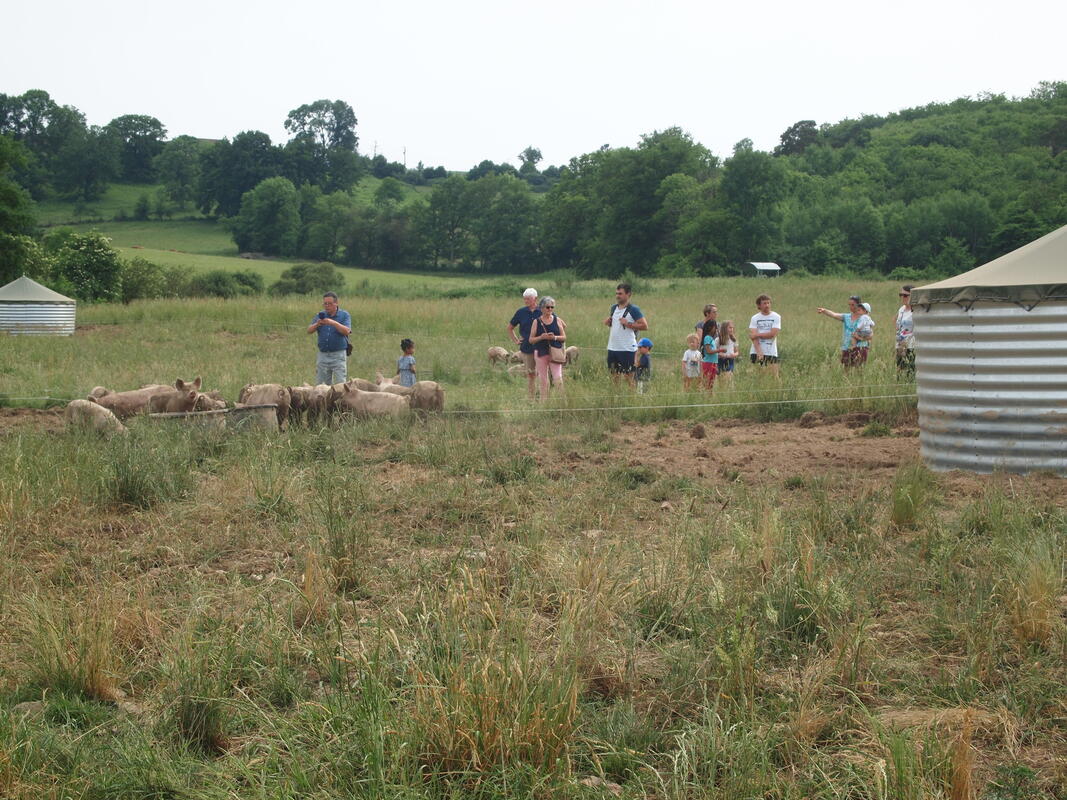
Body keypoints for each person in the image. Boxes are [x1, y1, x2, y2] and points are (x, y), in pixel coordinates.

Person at [603, 282, 648, 387]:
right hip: (612, 348)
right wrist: (609, 323)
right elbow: (616, 326)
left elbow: (645, 326)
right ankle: (616, 399)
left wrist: (628, 324)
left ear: (628, 294)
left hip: (627, 349)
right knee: (614, 377)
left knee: (629, 378)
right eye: (616, 293)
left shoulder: (634, 310)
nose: (617, 296)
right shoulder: (614, 308)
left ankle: (632, 399)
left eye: (620, 293)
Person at [307, 291, 352, 385]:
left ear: (336, 303)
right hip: (323, 355)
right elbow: (309, 330)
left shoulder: (344, 315)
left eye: (330, 303)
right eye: (325, 303)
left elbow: (346, 331)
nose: (327, 306)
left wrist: (333, 323)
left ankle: (340, 399)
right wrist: (317, 324)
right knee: (322, 385)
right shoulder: (320, 315)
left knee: (340, 384)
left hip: (338, 355)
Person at [529, 295, 566, 401]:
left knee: (558, 378)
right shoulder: (536, 321)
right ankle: (543, 404)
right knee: (543, 380)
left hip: (555, 352)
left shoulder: (557, 320)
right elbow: (531, 340)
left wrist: (554, 337)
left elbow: (564, 337)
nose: (550, 309)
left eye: (552, 307)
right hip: (541, 353)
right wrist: (541, 337)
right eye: (547, 307)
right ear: (541, 308)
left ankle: (563, 402)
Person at [816, 295, 871, 367]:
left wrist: (859, 338)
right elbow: (834, 315)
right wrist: (824, 311)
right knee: (846, 369)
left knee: (859, 370)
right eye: (849, 305)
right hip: (847, 347)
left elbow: (870, 335)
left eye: (853, 305)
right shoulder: (846, 317)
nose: (851, 307)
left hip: (861, 347)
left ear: (859, 305)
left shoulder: (864, 318)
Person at [507, 288, 540, 399]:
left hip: (542, 348)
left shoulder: (543, 310)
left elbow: (555, 322)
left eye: (528, 299)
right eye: (524, 299)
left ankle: (543, 398)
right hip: (527, 348)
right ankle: (531, 399)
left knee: (543, 374)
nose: (526, 301)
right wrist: (516, 340)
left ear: (535, 298)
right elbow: (510, 328)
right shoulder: (521, 312)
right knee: (530, 374)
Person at [748, 294, 781, 377]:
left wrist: (757, 335)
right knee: (759, 376)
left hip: (771, 350)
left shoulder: (776, 316)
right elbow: (753, 337)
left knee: (774, 376)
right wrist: (759, 352)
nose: (767, 305)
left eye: (768, 303)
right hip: (756, 351)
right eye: (764, 303)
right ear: (759, 305)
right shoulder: (754, 318)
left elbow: (772, 334)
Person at [895, 286, 915, 376]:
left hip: (911, 345)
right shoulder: (901, 309)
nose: (903, 297)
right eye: (901, 295)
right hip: (900, 344)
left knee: (910, 370)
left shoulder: (916, 310)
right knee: (900, 370)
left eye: (905, 295)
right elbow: (897, 323)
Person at [701, 319, 725, 390]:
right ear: (710, 327)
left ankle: (709, 396)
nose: (716, 329)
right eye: (715, 327)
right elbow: (708, 351)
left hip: (713, 363)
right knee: (707, 382)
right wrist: (720, 350)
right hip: (708, 363)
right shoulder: (707, 338)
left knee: (711, 382)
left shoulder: (712, 338)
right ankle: (706, 396)